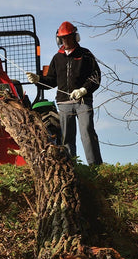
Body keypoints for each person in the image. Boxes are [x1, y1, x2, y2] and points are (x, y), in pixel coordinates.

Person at [27, 21, 103, 165]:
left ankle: (95, 166)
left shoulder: (85, 54)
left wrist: (84, 90)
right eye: (62, 38)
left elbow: (96, 77)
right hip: (64, 103)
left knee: (87, 132)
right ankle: (71, 166)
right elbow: (51, 81)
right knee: (67, 137)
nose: (65, 41)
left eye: (68, 37)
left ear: (75, 37)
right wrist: (38, 79)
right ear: (59, 39)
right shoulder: (57, 58)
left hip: (83, 102)